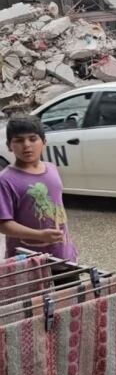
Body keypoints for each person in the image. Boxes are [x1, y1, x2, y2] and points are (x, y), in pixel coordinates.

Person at [0, 117, 78, 275]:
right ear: (9, 145)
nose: (27, 145)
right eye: (19, 140)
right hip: (29, 264)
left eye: (33, 139)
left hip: (64, 258)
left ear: (44, 141)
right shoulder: (5, 180)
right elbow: (4, 224)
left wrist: (71, 247)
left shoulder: (51, 168)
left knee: (70, 298)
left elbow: (58, 207)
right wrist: (40, 235)